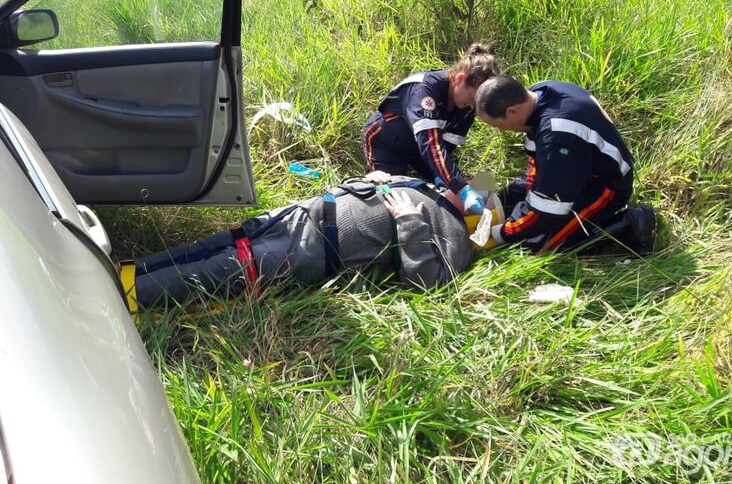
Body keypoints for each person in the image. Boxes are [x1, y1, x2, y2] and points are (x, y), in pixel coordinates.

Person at [125, 174, 502, 310]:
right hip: (303, 214)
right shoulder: (428, 187)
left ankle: (121, 297)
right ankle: (124, 273)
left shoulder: (457, 240)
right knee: (213, 247)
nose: (466, 187)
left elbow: (427, 283)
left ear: (477, 216)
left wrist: (409, 226)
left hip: (316, 249)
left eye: (475, 194)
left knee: (218, 270)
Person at [474, 75, 655, 254]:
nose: (502, 130)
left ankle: (631, 223)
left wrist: (503, 233)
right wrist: (503, 200)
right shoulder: (540, 92)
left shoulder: (557, 136)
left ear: (512, 111)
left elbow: (547, 209)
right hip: (578, 167)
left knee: (536, 247)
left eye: (498, 125)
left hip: (605, 185)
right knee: (508, 200)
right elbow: (536, 162)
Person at [362, 43, 499, 216]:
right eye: (473, 97)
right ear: (459, 78)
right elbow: (431, 145)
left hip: (420, 149)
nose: (473, 105)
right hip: (386, 141)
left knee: (444, 189)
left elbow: (446, 149)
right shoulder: (425, 89)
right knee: (388, 197)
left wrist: (443, 179)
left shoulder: (467, 107)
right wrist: (461, 189)